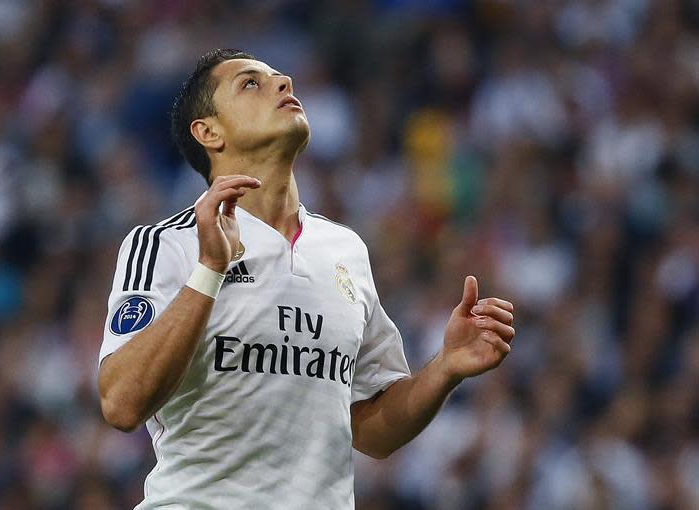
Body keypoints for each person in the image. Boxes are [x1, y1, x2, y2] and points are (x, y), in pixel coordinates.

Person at [97, 49, 515, 509]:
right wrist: (209, 271)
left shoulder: (344, 250)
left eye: (280, 77)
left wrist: (445, 368)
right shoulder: (166, 245)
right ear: (208, 131)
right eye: (251, 83)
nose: (284, 83)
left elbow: (372, 431)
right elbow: (121, 403)